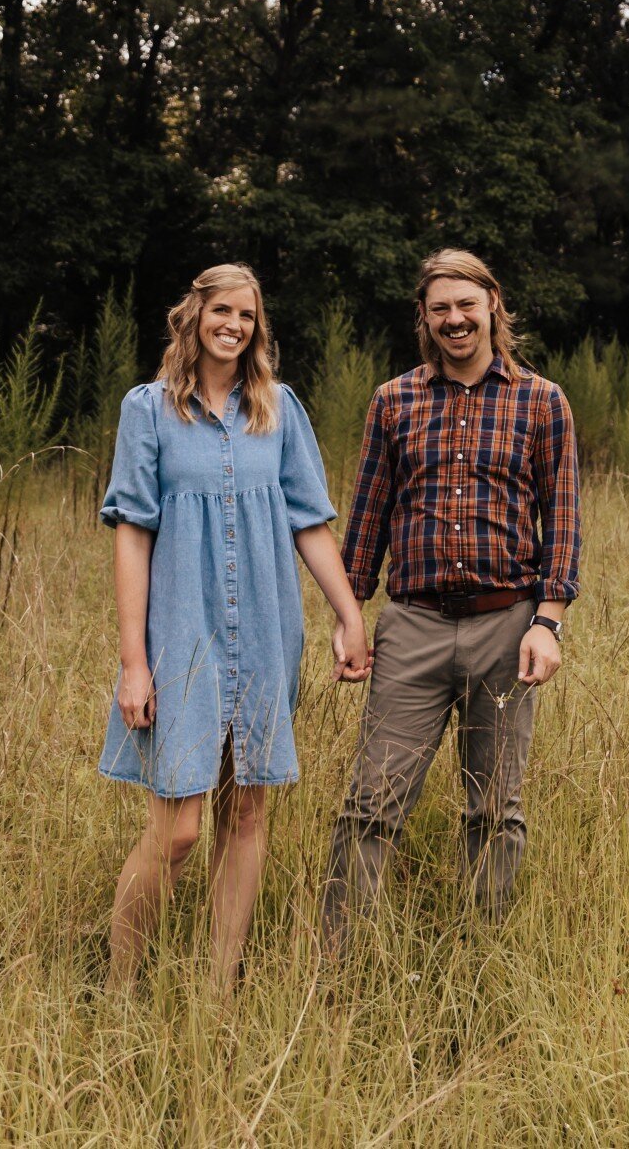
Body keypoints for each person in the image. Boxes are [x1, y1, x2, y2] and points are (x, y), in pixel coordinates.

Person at [99, 262, 371, 993]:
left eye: (247, 316)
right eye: (222, 311)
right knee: (179, 829)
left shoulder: (277, 409)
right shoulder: (149, 410)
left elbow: (309, 523)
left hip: (265, 632)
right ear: (194, 316)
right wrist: (134, 661)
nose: (234, 326)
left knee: (246, 812)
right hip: (181, 639)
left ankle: (220, 988)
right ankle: (118, 985)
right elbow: (131, 531)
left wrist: (349, 617)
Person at [321, 248, 580, 952]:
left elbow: (562, 522)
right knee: (371, 804)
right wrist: (351, 618)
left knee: (495, 811)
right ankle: (338, 962)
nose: (455, 319)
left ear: (493, 305)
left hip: (508, 626)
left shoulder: (542, 401)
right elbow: (368, 516)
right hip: (413, 627)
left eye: (467, 304)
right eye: (440, 308)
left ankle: (480, 960)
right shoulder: (393, 400)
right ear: (425, 317)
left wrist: (548, 623)